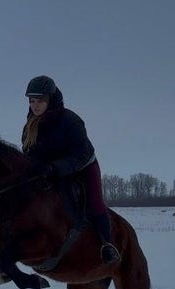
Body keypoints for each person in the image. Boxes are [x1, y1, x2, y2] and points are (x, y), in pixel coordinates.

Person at [21, 75, 121, 264]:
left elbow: (81, 154)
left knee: (95, 203)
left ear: (50, 99)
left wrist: (54, 167)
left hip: (83, 166)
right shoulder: (31, 124)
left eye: (40, 101)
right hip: (51, 169)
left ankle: (106, 244)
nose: (35, 105)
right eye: (32, 101)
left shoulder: (71, 120)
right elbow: (28, 152)